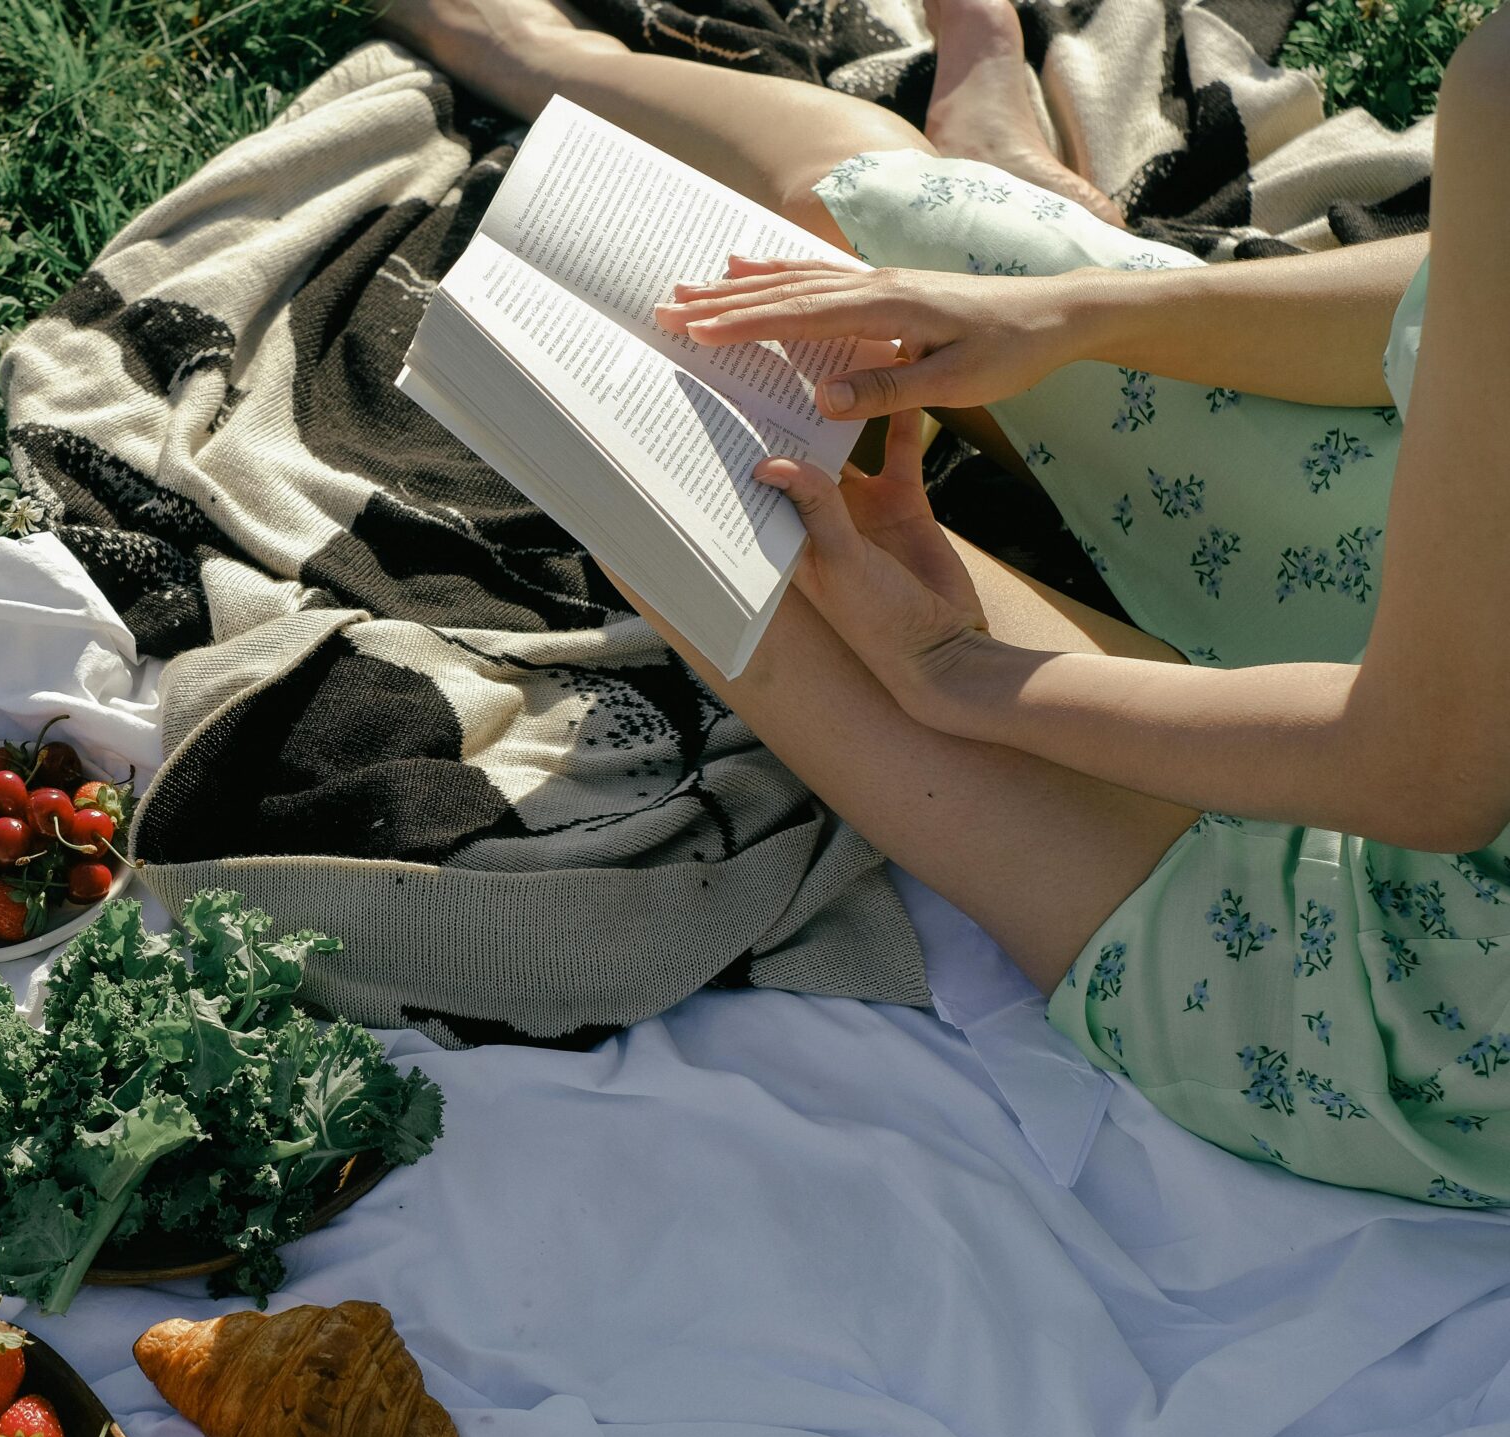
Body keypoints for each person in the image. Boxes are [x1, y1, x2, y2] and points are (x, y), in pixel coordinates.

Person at [378, 0, 1510, 1207]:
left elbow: (1424, 777)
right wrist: (1075, 314)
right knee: (849, 254)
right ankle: (551, 60)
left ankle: (998, 180)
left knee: (705, 514)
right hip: (1444, 560)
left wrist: (967, 678)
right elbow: (1465, 290)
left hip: (1425, 955)